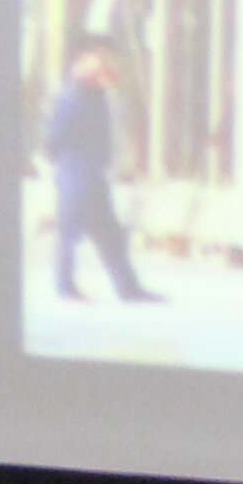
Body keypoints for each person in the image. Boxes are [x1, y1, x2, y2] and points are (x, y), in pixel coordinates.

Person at [42, 40, 157, 305]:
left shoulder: (97, 98)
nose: (102, 78)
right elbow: (56, 139)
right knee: (70, 233)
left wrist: (100, 164)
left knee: (108, 234)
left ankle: (128, 288)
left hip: (92, 175)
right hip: (75, 173)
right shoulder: (72, 99)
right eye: (98, 73)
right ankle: (66, 286)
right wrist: (68, 164)